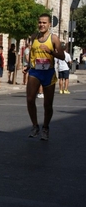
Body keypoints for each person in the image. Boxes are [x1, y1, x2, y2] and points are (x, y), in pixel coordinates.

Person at [24, 13, 64, 141]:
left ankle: (45, 127)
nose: (41, 25)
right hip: (35, 71)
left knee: (47, 103)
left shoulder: (54, 38)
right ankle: (35, 126)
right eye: (40, 22)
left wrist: (50, 51)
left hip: (48, 72)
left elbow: (62, 56)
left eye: (44, 23)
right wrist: (29, 65)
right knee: (30, 99)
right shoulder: (34, 36)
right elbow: (32, 52)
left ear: (49, 24)